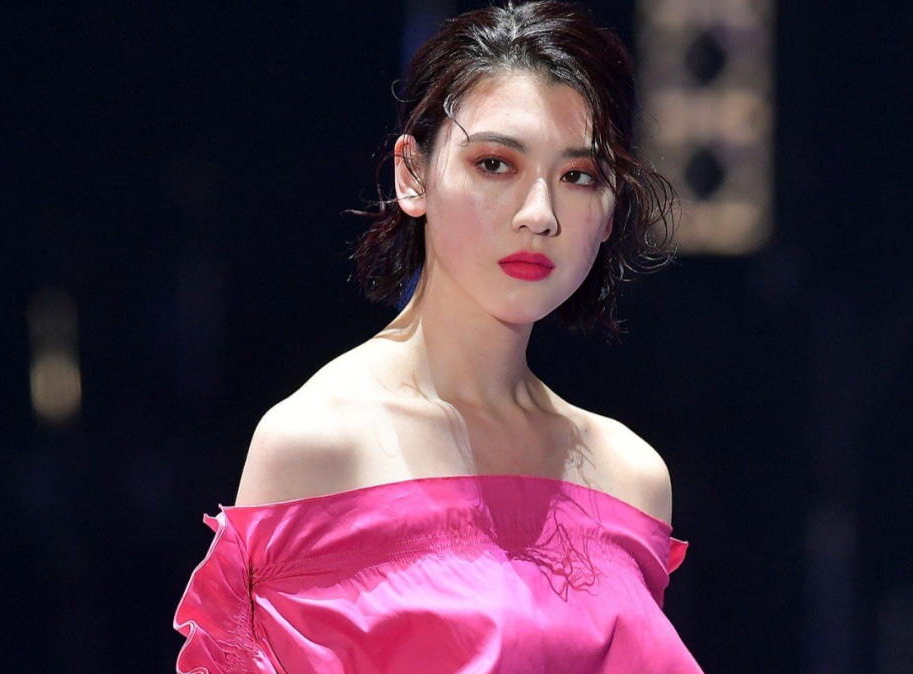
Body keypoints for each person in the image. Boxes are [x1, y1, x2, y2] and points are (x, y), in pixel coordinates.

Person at [173, 1, 704, 672]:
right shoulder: (320, 445)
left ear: (608, 213)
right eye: (495, 164)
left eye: (578, 176)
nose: (539, 214)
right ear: (412, 174)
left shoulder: (630, 479)